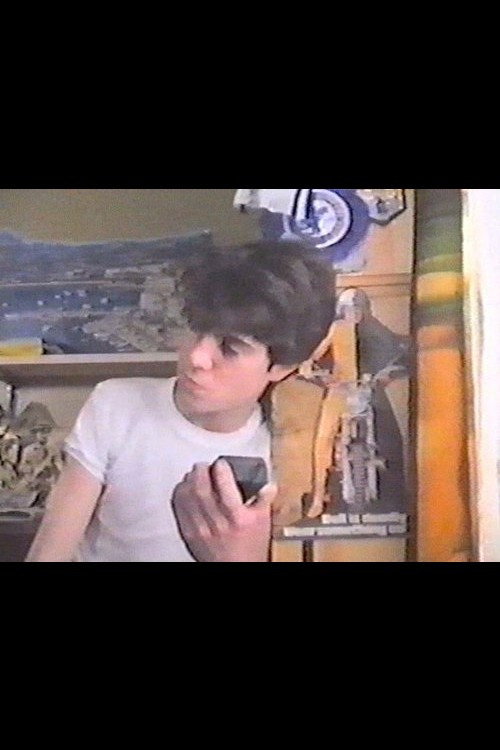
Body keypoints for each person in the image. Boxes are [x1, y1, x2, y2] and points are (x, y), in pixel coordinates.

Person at [26, 240, 336, 562]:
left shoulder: (290, 457)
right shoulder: (116, 405)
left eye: (230, 348)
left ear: (282, 367)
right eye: (196, 330)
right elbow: (49, 553)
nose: (197, 357)